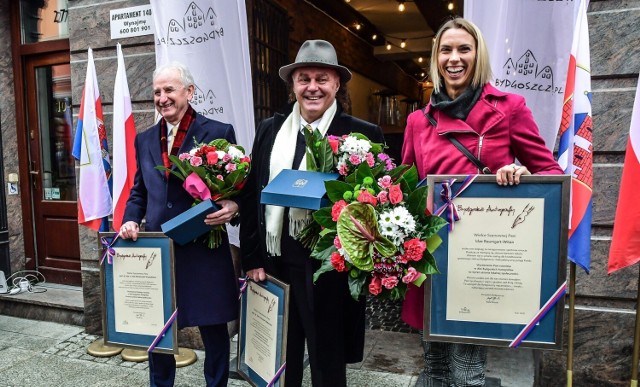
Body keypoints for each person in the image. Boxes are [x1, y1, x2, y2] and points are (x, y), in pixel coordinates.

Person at [401, 18, 563, 386]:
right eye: (446, 50)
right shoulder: (417, 120)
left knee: (468, 373)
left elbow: (550, 174)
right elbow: (406, 186)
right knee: (434, 369)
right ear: (435, 58)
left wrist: (522, 176)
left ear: (478, 55)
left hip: (480, 260)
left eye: (463, 49)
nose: (454, 58)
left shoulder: (510, 108)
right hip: (430, 260)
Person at [240, 39, 385, 387]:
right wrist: (252, 258)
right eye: (304, 78)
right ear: (293, 86)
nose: (313, 87)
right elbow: (250, 196)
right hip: (276, 263)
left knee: (327, 361)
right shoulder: (270, 130)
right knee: (279, 356)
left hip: (329, 271)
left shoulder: (362, 134)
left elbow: (378, 206)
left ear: (337, 84)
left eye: (322, 78)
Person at [119, 62, 240, 387]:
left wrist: (232, 205)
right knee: (158, 333)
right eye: (157, 91)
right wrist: (130, 219)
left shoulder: (218, 133)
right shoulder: (144, 140)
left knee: (214, 332)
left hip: (203, 249)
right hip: (159, 252)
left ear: (189, 92)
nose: (162, 97)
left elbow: (238, 189)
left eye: (169, 89)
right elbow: (139, 191)